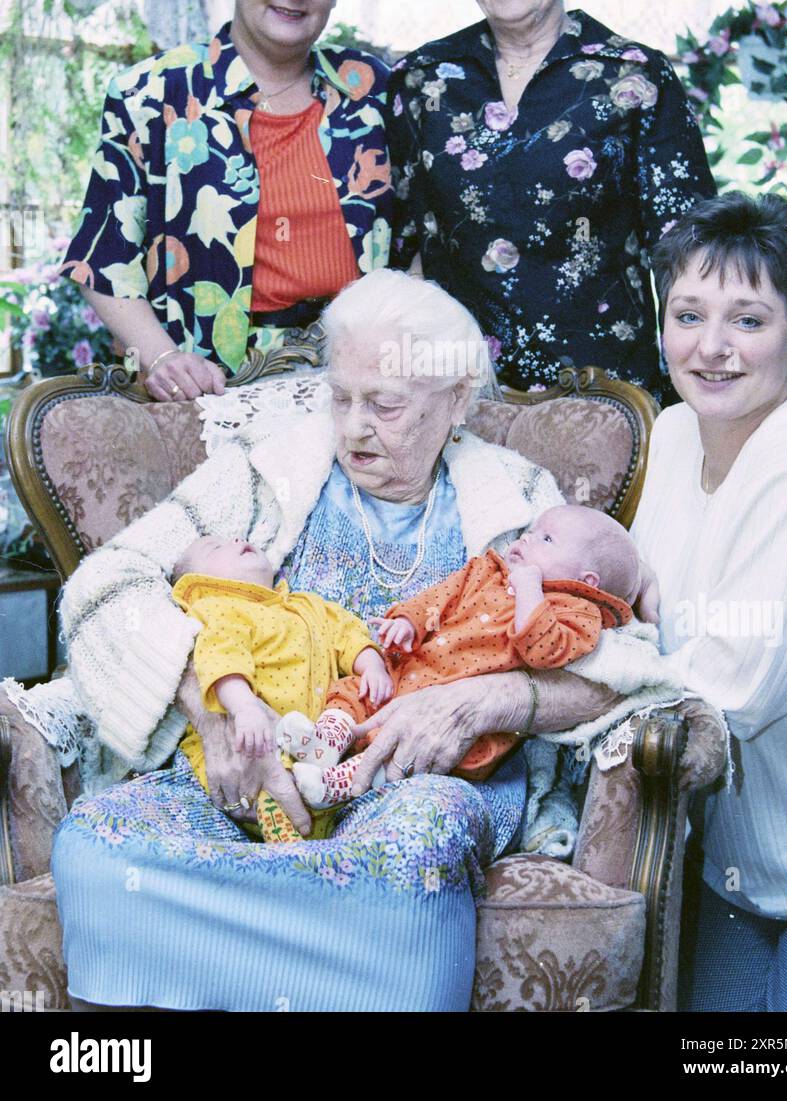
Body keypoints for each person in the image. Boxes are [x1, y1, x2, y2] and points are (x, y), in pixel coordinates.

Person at [35, 269, 632, 1013]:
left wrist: (483, 701)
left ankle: (227, 953)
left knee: (408, 857)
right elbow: (106, 583)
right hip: (254, 771)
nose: (352, 427)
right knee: (96, 842)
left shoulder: (521, 503)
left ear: (455, 402)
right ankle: (347, 959)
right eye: (341, 397)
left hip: (424, 784)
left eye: (384, 405)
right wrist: (218, 712)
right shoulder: (264, 473)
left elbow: (625, 667)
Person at [630, 191, 787, 1012]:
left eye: (749, 321)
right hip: (733, 874)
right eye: (688, 315)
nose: (712, 348)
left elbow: (737, 688)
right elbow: (639, 621)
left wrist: (541, 696)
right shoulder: (667, 436)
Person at [387, 0, 717, 398]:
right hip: (458, 391)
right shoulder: (422, 80)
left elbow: (687, 253)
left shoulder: (636, 79)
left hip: (605, 393)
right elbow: (407, 250)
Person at [59, 0, 394, 402]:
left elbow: (419, 240)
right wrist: (164, 358)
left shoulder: (373, 91)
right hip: (213, 389)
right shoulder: (151, 94)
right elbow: (103, 261)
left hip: (361, 383)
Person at [290, 503, 638, 807]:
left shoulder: (576, 614)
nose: (527, 538)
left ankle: (337, 786)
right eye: (530, 531)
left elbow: (542, 650)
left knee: (401, 743)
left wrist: (531, 589)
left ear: (587, 581)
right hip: (407, 671)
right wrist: (408, 622)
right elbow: (440, 597)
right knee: (354, 691)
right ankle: (324, 743)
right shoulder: (486, 570)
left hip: (447, 717)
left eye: (546, 539)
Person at [170, 534, 392, 841]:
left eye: (236, 538)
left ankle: (329, 800)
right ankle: (286, 848)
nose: (236, 538)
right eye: (216, 548)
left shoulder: (308, 607)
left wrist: (372, 666)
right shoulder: (219, 608)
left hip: (319, 745)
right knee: (270, 788)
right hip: (252, 742)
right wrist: (244, 707)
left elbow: (347, 632)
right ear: (197, 585)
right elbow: (222, 658)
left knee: (332, 769)